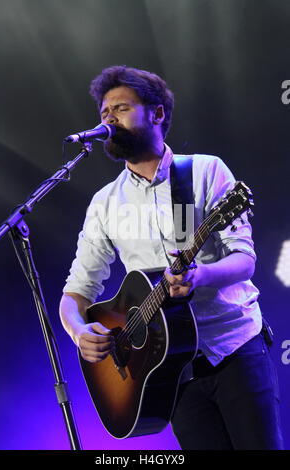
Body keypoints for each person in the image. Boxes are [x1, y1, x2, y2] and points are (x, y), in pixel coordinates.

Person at [59, 65, 284, 450]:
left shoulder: (204, 171)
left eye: (121, 108)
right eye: (104, 112)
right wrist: (80, 332)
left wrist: (200, 277)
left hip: (233, 346)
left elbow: (245, 261)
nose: (109, 118)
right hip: (168, 369)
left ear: (157, 113)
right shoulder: (105, 202)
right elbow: (75, 293)